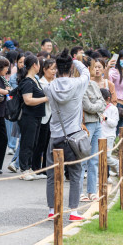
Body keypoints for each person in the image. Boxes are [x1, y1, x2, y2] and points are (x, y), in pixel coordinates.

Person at [42, 49, 90, 221]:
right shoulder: (78, 84)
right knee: (76, 172)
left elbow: (51, 82)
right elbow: (86, 72)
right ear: (70, 67)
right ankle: (74, 212)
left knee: (52, 175)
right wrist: (76, 60)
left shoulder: (48, 87)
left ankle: (52, 210)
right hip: (74, 136)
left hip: (55, 135)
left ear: (56, 68)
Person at [17, 54, 49, 180]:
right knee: (27, 143)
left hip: (37, 116)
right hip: (28, 116)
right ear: (35, 65)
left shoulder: (35, 79)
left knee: (34, 143)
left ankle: (29, 168)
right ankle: (24, 169)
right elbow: (28, 100)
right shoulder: (27, 81)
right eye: (39, 64)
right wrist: (46, 99)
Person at [80, 58, 106, 201]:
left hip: (97, 123)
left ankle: (91, 191)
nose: (95, 69)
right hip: (87, 124)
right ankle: (79, 192)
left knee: (94, 159)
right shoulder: (81, 85)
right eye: (93, 67)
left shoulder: (94, 85)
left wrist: (96, 106)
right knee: (83, 159)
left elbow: (103, 102)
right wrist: (98, 107)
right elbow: (87, 106)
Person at [35, 58, 56, 175]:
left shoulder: (55, 82)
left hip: (54, 117)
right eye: (51, 69)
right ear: (44, 69)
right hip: (44, 116)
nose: (53, 71)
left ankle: (46, 168)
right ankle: (37, 168)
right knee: (40, 143)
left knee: (49, 144)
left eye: (55, 69)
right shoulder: (41, 83)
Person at [100, 88, 119, 179]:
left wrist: (106, 118)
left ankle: (117, 164)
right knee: (100, 157)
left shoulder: (113, 109)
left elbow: (114, 124)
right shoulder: (100, 107)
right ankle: (103, 178)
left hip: (109, 136)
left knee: (107, 157)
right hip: (100, 136)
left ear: (108, 98)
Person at [107, 50, 123, 129]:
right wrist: (108, 67)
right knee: (114, 129)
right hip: (116, 104)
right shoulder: (115, 72)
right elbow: (107, 81)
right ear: (119, 60)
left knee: (120, 130)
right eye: (122, 58)